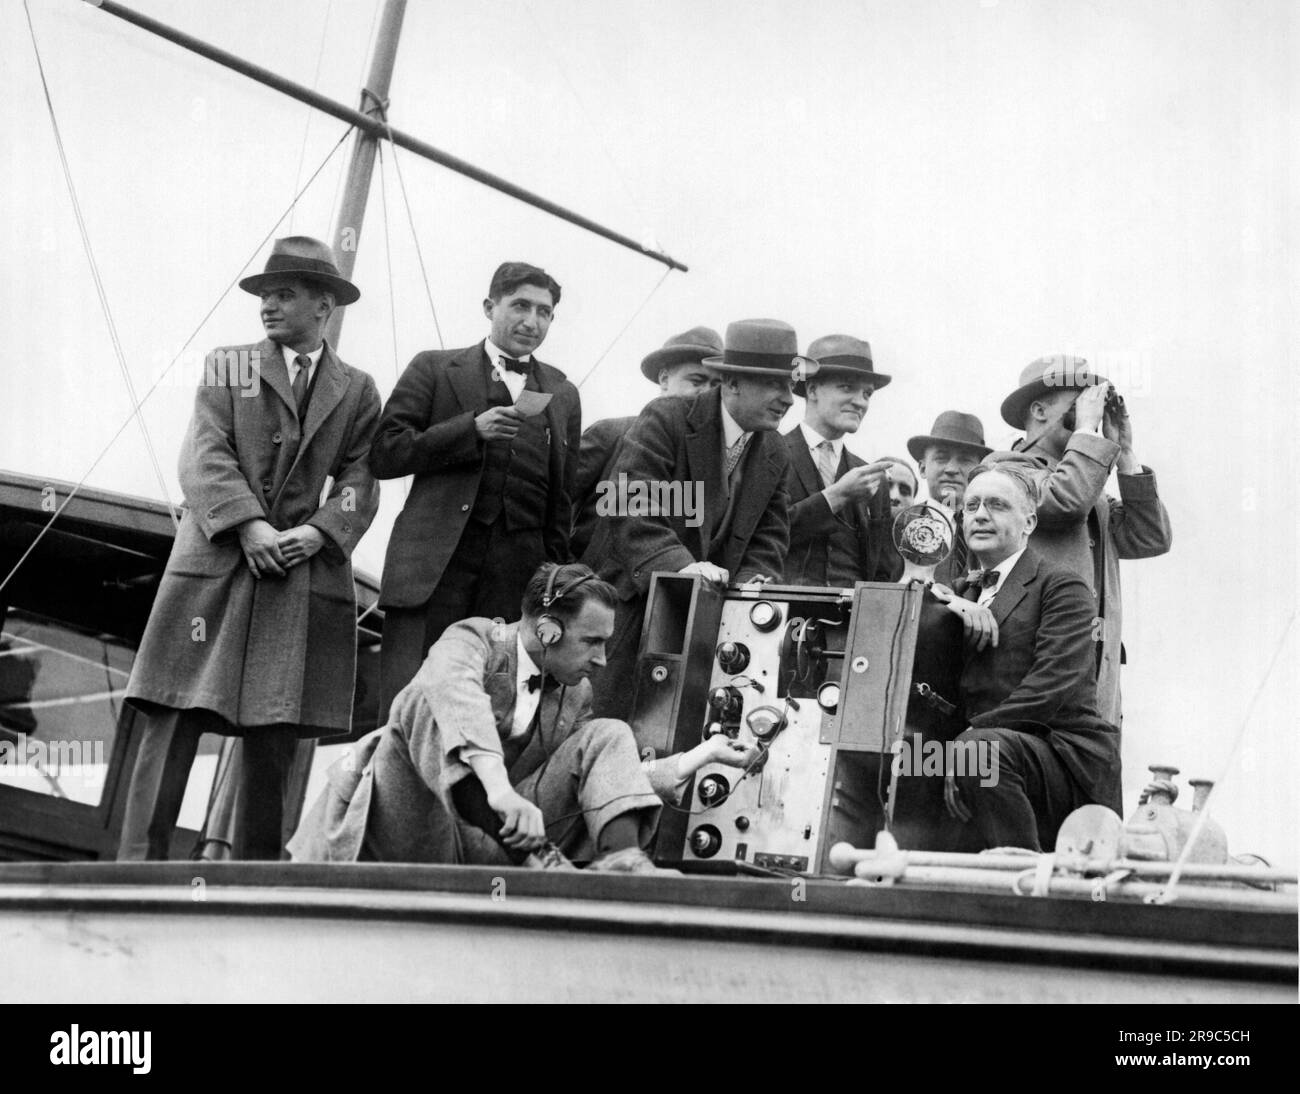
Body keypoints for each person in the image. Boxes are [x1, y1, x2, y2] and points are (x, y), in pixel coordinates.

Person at [118, 236, 381, 860]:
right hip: (215, 558)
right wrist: (248, 525)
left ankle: (255, 873)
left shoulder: (357, 388)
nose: (268, 305)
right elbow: (204, 454)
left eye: (285, 295)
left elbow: (361, 476)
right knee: (174, 707)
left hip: (297, 568)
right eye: (265, 295)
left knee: (275, 723)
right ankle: (136, 867)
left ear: (325, 307)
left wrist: (318, 532)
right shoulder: (229, 363)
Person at [288, 563, 747, 872]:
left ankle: (621, 870)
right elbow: (453, 694)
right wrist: (500, 791)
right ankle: (535, 853)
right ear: (546, 629)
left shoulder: (576, 692)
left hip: (485, 846)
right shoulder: (472, 639)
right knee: (426, 699)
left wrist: (699, 757)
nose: (603, 660)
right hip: (402, 832)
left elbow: (608, 771)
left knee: (609, 735)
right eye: (592, 641)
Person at [370, 262, 582, 723]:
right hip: (433, 574)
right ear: (490, 307)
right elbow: (385, 453)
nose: (531, 321)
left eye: (544, 312)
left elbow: (561, 498)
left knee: (491, 716)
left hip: (515, 584)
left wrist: (554, 584)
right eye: (520, 305)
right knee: (409, 710)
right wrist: (469, 430)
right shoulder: (434, 367)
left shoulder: (562, 392)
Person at [583, 318, 795, 719]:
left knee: (675, 740)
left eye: (790, 387)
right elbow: (627, 502)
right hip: (628, 612)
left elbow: (770, 538)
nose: (788, 399)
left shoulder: (775, 451)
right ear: (731, 382)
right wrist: (682, 569)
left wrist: (754, 582)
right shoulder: (668, 417)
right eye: (776, 384)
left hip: (708, 628)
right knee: (597, 731)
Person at [931, 465, 1121, 852]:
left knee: (975, 752)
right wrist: (945, 600)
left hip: (1062, 760)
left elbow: (1050, 688)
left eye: (997, 505)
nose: (981, 515)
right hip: (985, 754)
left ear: (1029, 521)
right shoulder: (956, 594)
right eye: (971, 506)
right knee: (905, 758)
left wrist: (966, 739)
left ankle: (1022, 884)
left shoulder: (1062, 585)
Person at [983, 356, 1172, 727]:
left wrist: (1126, 456)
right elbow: (1063, 502)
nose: (1092, 413)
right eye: (1079, 403)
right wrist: (1086, 432)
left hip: (1092, 693)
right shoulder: (1003, 471)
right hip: (1030, 682)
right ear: (1038, 409)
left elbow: (1150, 537)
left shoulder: (1090, 486)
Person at [570, 327, 721, 557]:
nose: (706, 393)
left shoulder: (714, 454)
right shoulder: (610, 433)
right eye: (697, 380)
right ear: (664, 379)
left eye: (715, 385)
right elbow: (558, 500)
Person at [781, 334, 900, 586]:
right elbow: (761, 536)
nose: (860, 402)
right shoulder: (772, 454)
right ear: (812, 389)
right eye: (847, 387)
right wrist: (837, 496)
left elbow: (882, 568)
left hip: (850, 620)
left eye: (867, 393)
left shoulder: (870, 476)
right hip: (781, 614)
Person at [906, 410, 993, 584]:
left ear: (979, 472)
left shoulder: (993, 527)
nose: (952, 469)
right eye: (941, 458)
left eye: (965, 460)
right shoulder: (900, 525)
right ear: (923, 468)